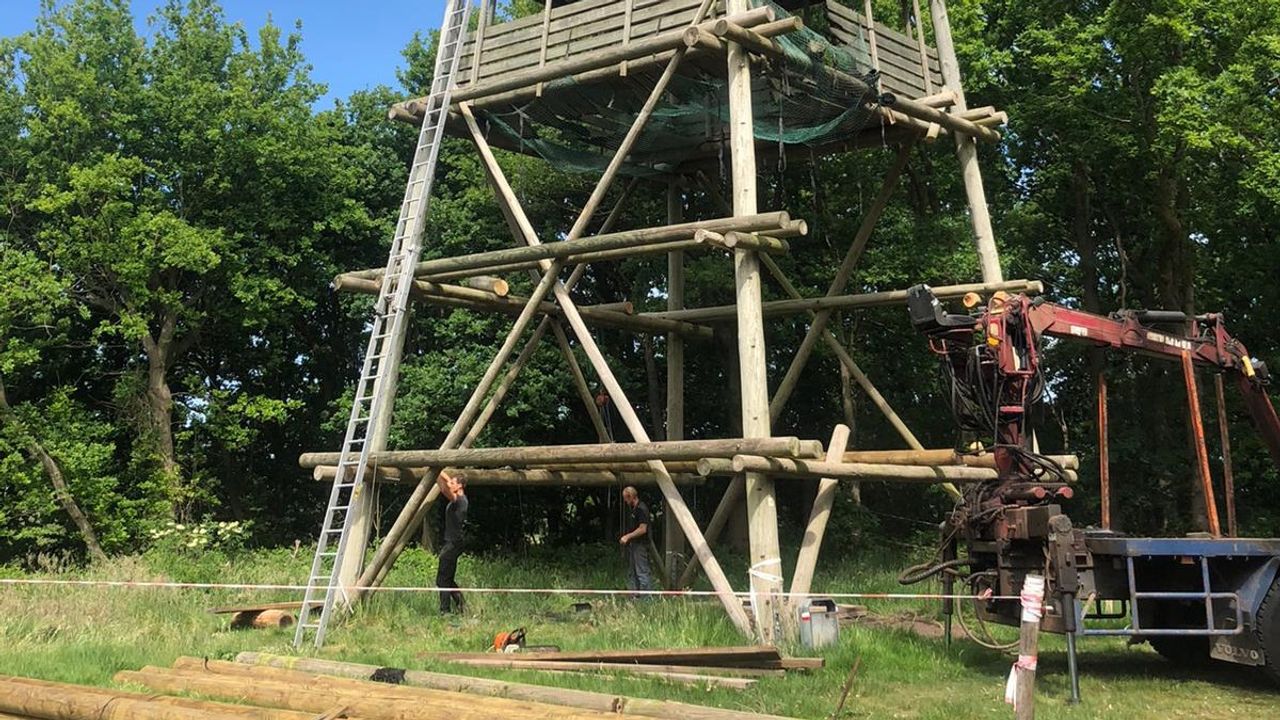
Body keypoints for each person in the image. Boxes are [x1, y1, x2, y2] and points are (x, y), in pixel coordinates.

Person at [436, 471, 468, 613]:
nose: (450, 485)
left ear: (460, 486)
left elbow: (444, 488)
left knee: (442, 580)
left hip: (453, 544)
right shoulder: (457, 500)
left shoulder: (459, 500)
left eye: (454, 483)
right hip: (453, 542)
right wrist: (437, 473)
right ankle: (462, 606)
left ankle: (445, 611)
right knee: (447, 578)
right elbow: (441, 485)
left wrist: (443, 474)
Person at [619, 486, 653, 596]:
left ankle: (646, 599)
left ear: (631, 497)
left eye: (626, 498)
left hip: (641, 545)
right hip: (634, 544)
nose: (625, 501)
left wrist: (627, 537)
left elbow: (643, 529)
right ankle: (635, 596)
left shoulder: (641, 509)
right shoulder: (633, 509)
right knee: (633, 572)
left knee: (642, 571)